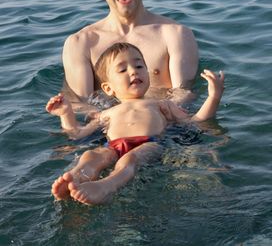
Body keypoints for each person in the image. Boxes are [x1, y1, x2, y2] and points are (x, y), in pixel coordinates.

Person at [46, 43, 224, 206]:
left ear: (147, 73)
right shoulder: (106, 113)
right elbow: (77, 134)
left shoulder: (162, 104)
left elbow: (196, 122)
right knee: (91, 155)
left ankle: (106, 186)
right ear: (108, 88)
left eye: (139, 66)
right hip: (112, 146)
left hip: (151, 143)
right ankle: (77, 178)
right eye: (122, 70)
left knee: (129, 159)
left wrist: (213, 97)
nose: (133, 71)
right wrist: (66, 114)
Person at [62, 0, 198, 103]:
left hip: (168, 126)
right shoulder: (80, 44)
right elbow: (80, 106)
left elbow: (183, 96)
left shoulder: (176, 35)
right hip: (107, 127)